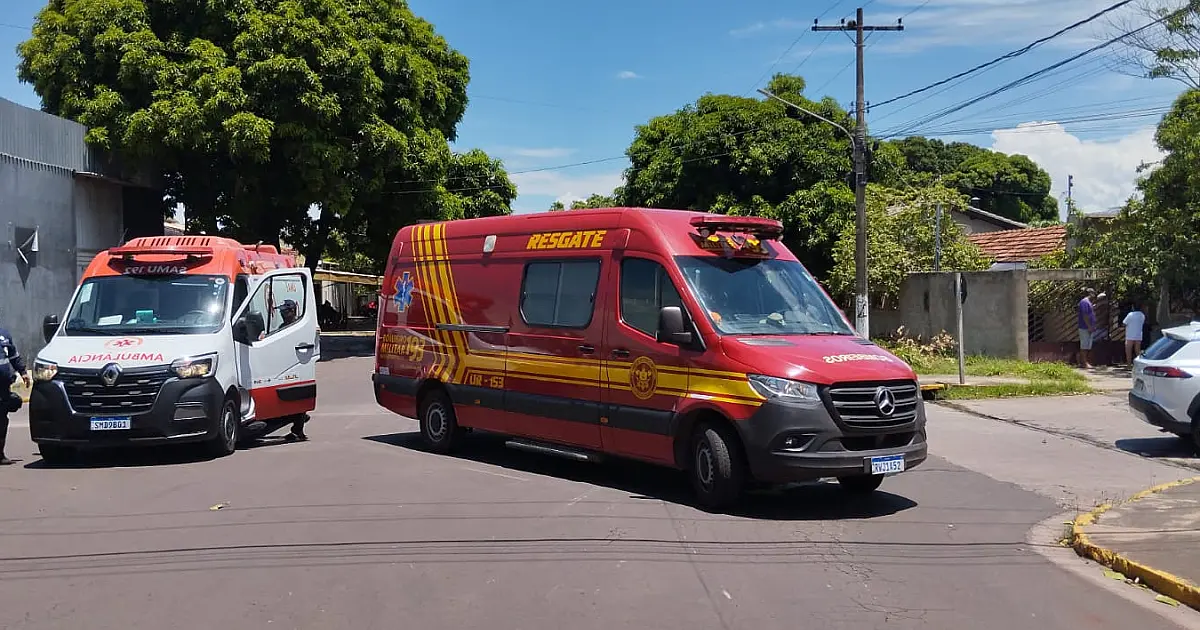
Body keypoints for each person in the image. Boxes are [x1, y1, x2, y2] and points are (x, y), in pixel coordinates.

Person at [0, 327, 29, 465]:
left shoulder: (4, 334)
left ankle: (0, 455)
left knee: (1, 420)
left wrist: (23, 372)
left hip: (3, 387)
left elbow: (13, 356)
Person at [1078, 288, 1098, 369]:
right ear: (1090, 293)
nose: (1094, 295)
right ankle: (1084, 363)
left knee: (1087, 346)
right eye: (1093, 293)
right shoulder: (1084, 302)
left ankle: (1085, 362)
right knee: (1084, 346)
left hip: (1088, 327)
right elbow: (1085, 315)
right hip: (1084, 327)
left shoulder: (1088, 302)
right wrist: (1089, 326)